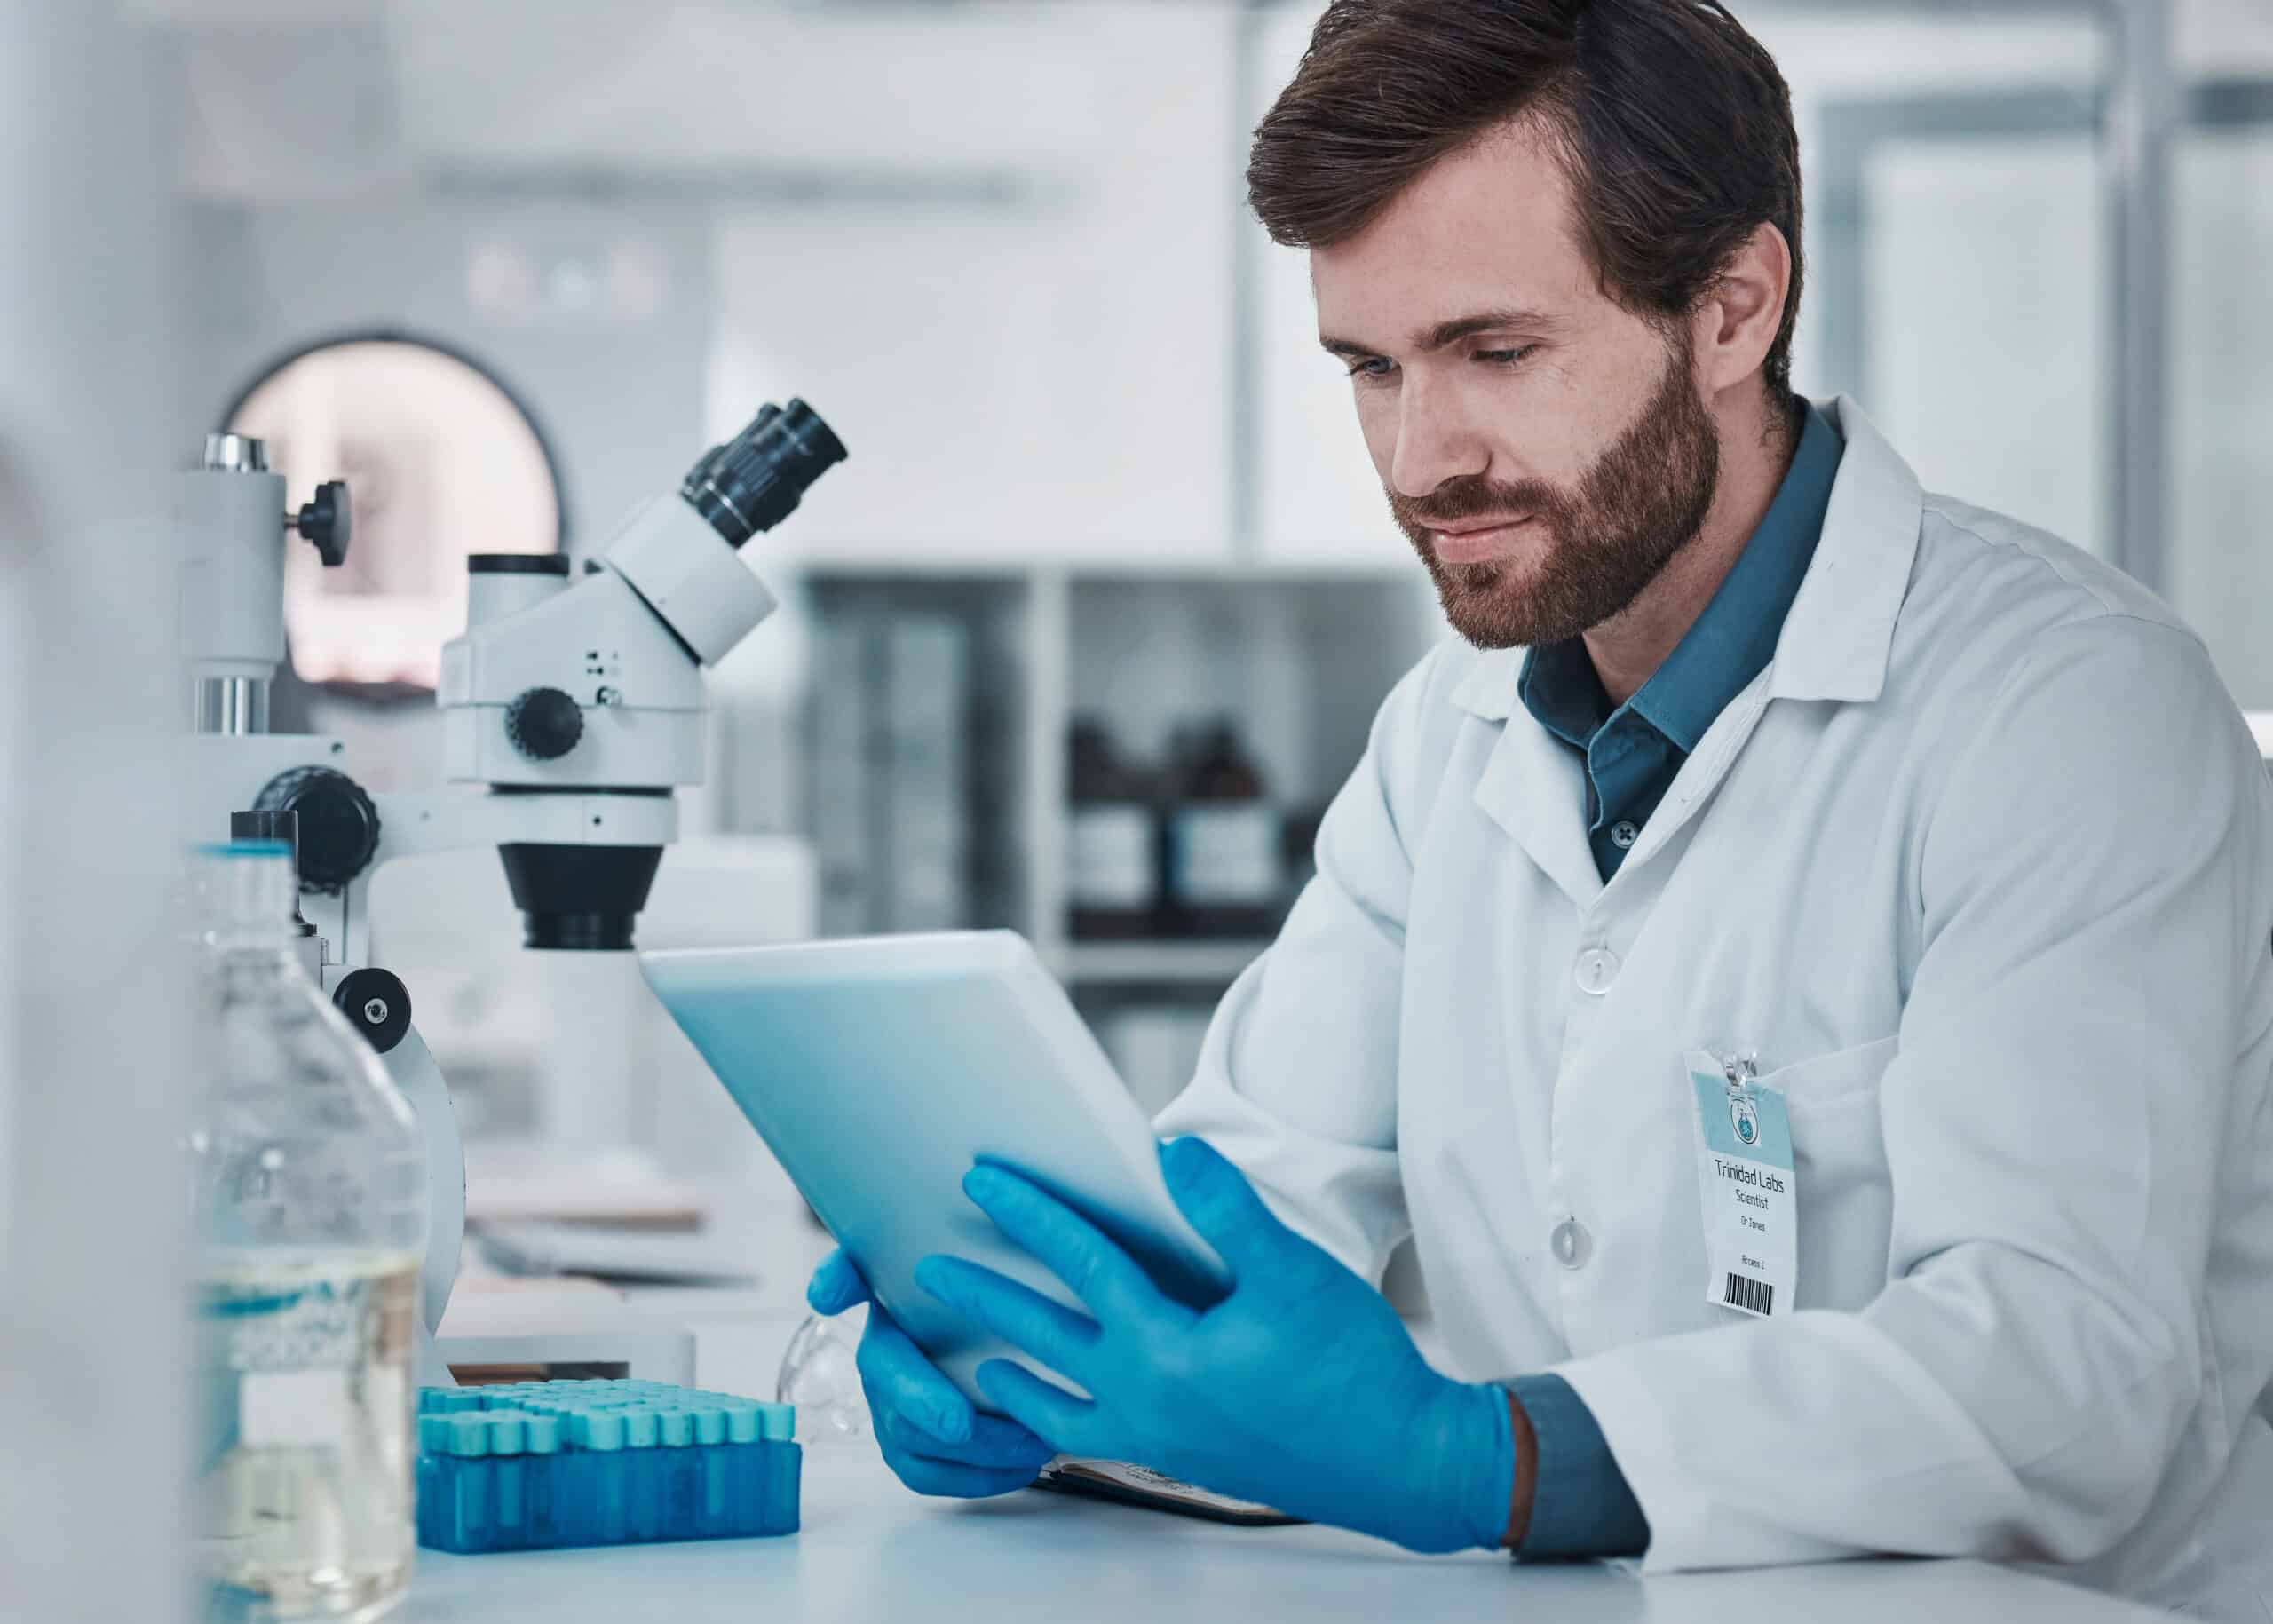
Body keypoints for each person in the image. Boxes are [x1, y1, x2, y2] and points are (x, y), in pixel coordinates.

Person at [806, 0, 2273, 1614]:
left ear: (1732, 308)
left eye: (1496, 352)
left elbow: (2062, 1373)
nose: (1423, 456)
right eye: (1371, 367)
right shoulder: (1451, 734)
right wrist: (1042, 1350)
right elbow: (1253, 1195)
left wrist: (1481, 1458)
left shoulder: (2065, 711)